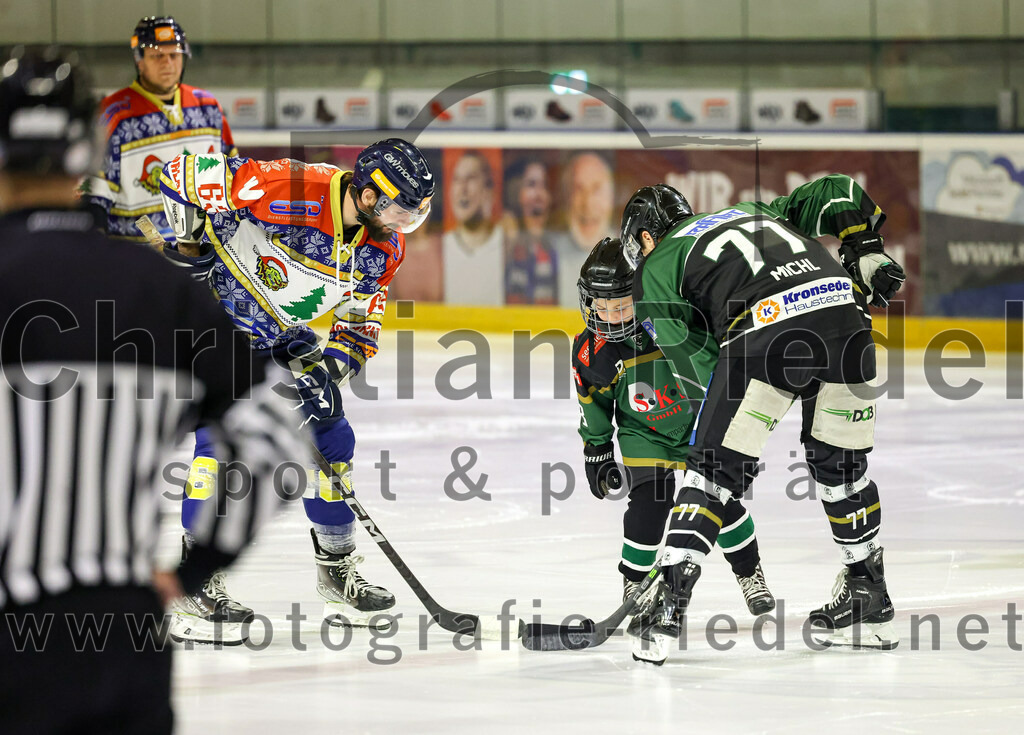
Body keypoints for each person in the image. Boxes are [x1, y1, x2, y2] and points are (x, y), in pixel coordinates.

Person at [0, 48, 304, 733]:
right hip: (123, 642)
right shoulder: (158, 288)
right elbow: (278, 441)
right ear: (87, 148)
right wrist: (197, 567)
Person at [157, 138, 434, 642]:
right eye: (399, 210)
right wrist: (189, 254)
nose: (403, 224)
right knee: (223, 442)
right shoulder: (288, 187)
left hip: (278, 334)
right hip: (209, 324)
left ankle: (336, 568)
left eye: (414, 214)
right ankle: (193, 588)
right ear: (368, 196)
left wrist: (329, 371)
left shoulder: (382, 247)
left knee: (332, 439)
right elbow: (180, 174)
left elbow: (359, 321)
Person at [619, 178, 906, 662]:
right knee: (842, 474)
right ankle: (868, 594)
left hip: (767, 328)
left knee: (709, 473)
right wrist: (866, 245)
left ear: (647, 237)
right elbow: (836, 191)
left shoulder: (657, 266)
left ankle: (665, 606)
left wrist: (724, 444)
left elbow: (699, 372)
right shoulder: (755, 209)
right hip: (847, 319)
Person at [574, 238, 775, 664]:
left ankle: (749, 572)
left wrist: (738, 441)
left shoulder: (672, 322)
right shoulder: (591, 352)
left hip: (694, 425)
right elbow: (594, 404)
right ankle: (634, 584)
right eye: (602, 307)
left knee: (721, 505)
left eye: (622, 305)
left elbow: (723, 372)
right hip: (642, 433)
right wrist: (597, 450)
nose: (610, 318)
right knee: (649, 503)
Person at [81, 16, 236, 241]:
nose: (168, 63)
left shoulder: (208, 108)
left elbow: (231, 176)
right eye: (157, 56)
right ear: (139, 60)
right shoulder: (113, 114)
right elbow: (94, 190)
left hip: (202, 250)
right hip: (135, 254)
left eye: (174, 55)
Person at [442, 149, 503, 305]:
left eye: (470, 179)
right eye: (456, 179)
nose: (462, 189)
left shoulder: (507, 244)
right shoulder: (439, 248)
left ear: (488, 189)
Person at [554, 151, 615, 308]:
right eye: (578, 189)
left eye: (596, 189)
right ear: (566, 198)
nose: (588, 203)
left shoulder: (637, 259)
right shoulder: (546, 251)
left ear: (611, 198)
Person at [503, 157, 558, 304]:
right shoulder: (505, 242)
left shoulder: (557, 246)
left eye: (545, 185)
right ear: (516, 193)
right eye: (531, 185)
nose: (539, 195)